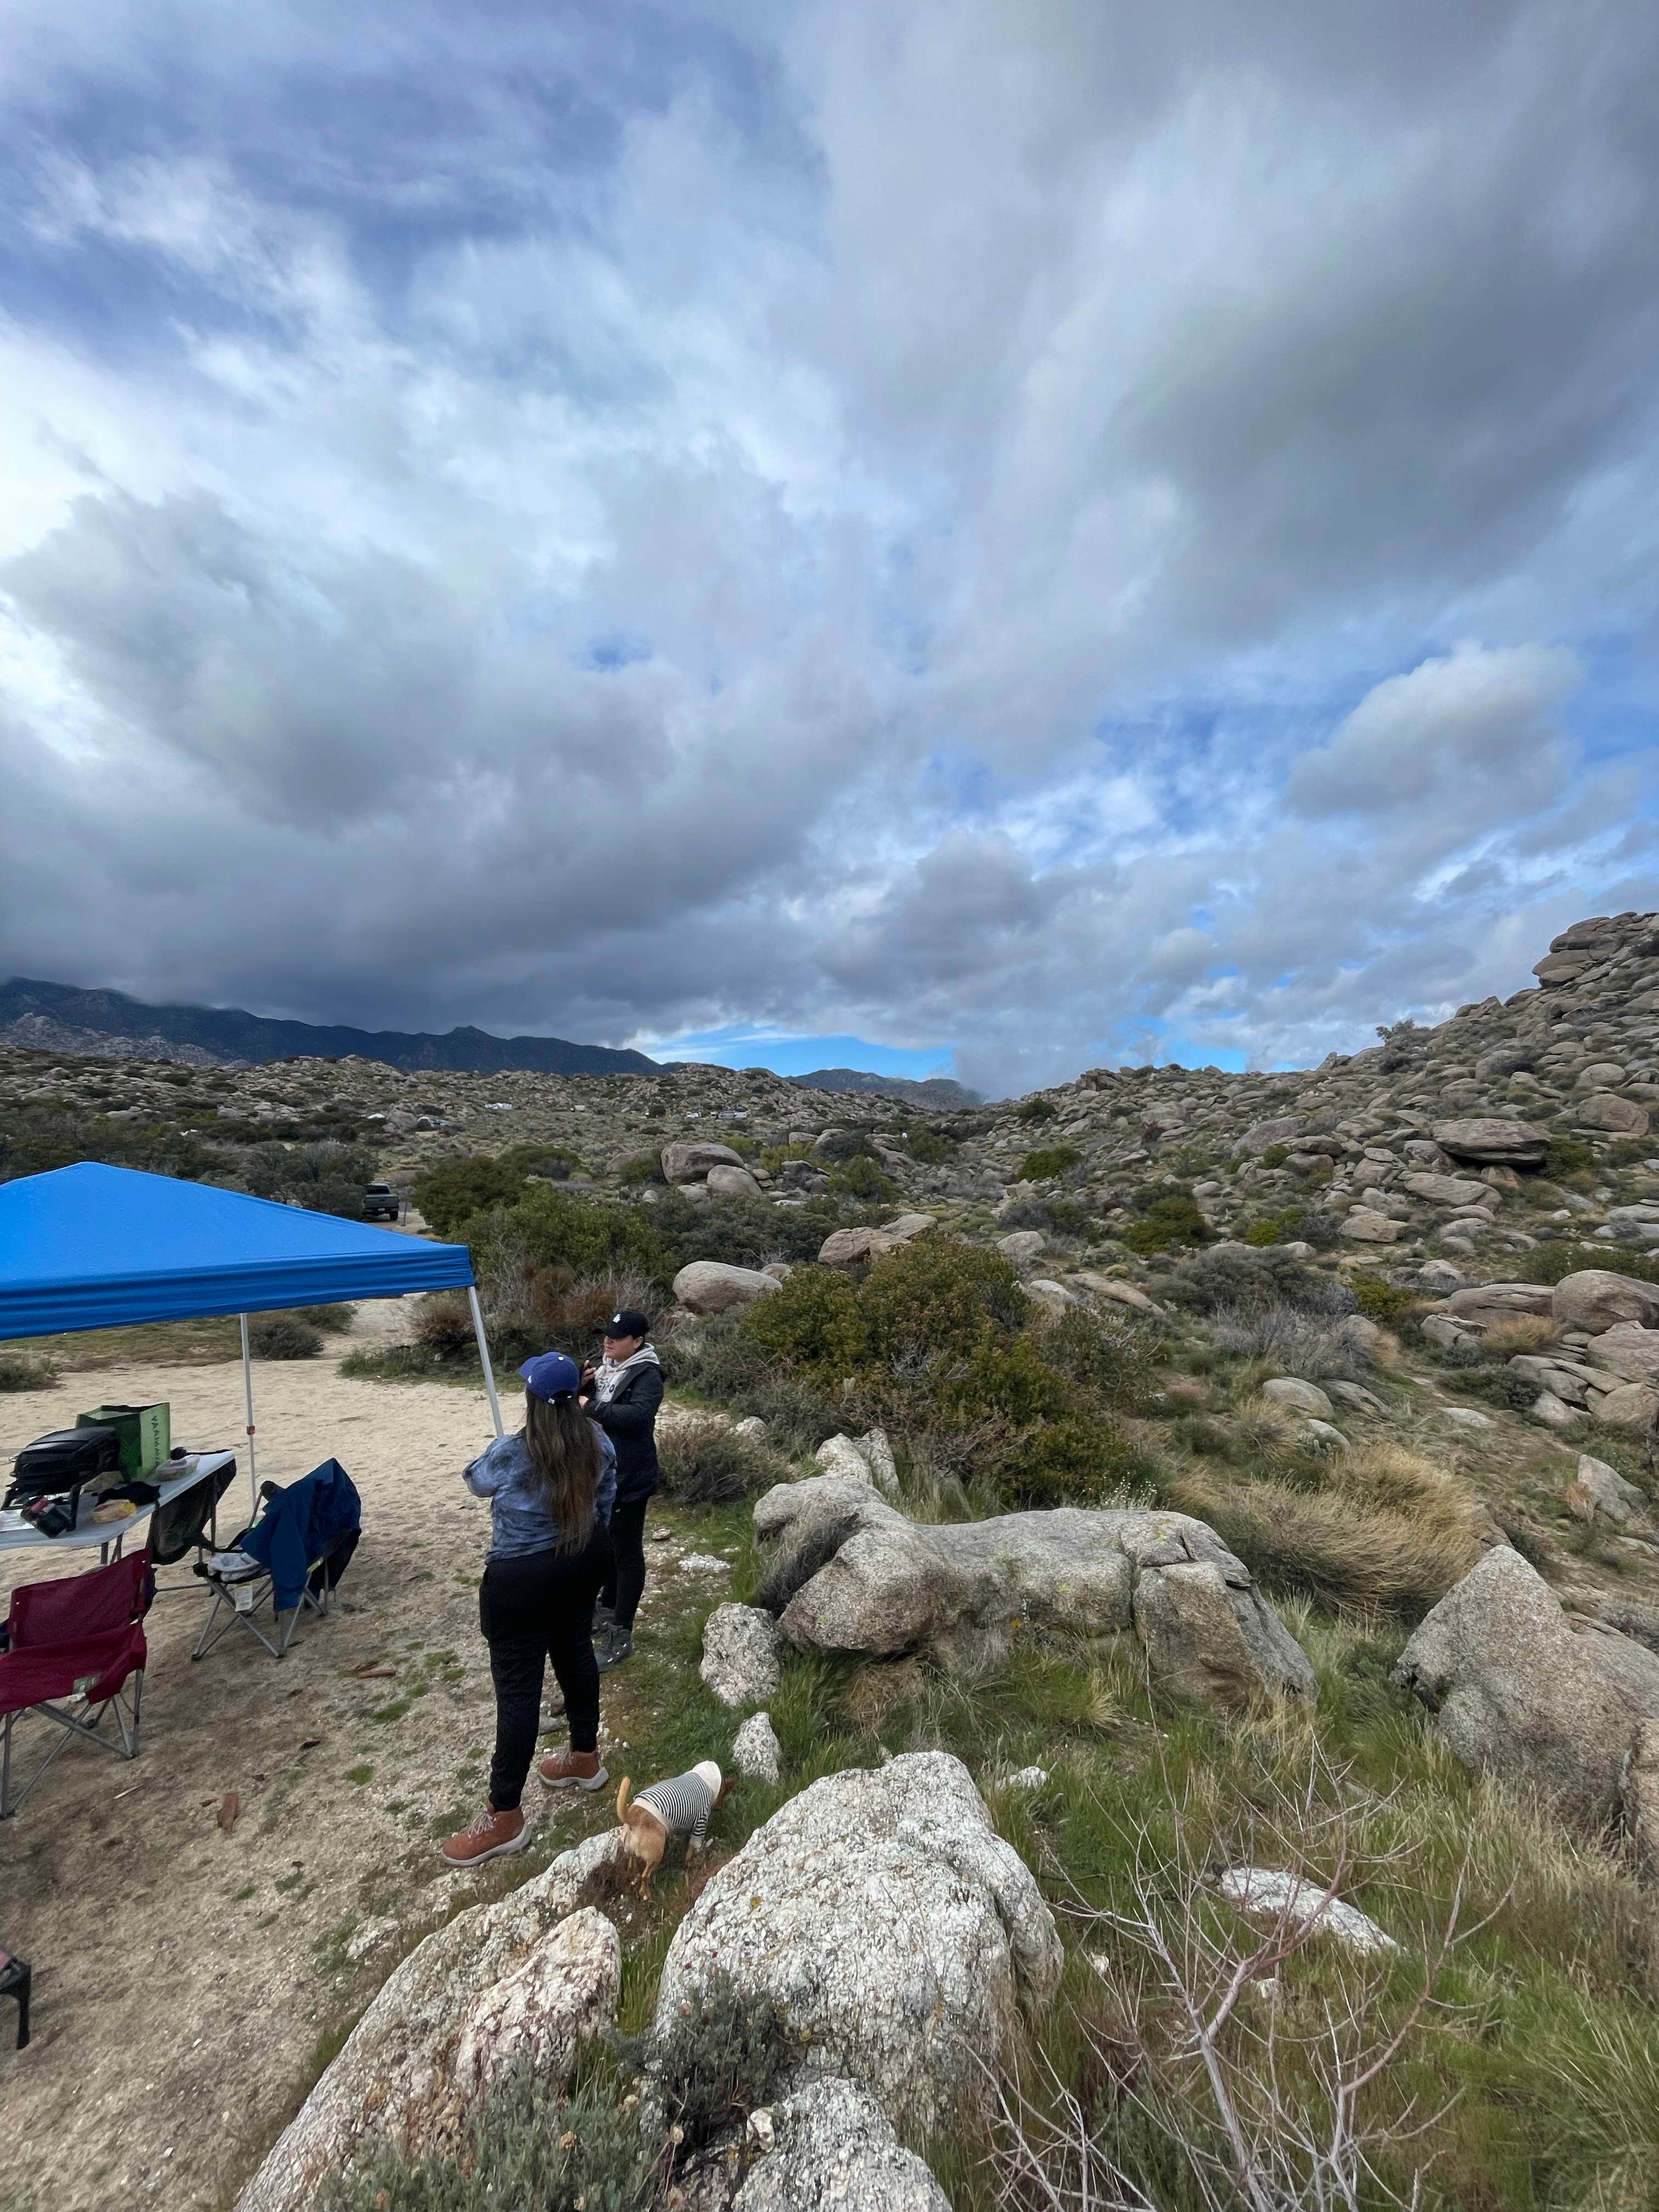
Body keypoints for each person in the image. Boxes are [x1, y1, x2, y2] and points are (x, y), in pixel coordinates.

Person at [441, 1351, 617, 1868]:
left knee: (518, 1694)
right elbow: (606, 1502)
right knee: (575, 1650)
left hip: (521, 1579)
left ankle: (504, 1815)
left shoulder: (513, 1453)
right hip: (582, 1562)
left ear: (533, 1401)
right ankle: (584, 1757)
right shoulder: (600, 1442)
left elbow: (474, 1480)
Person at [582, 1307, 663, 1672]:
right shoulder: (605, 1370)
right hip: (602, 1475)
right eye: (607, 1333)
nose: (608, 1340)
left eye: (617, 1336)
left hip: (630, 1477)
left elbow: (635, 1418)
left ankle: (621, 1633)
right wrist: (582, 1385)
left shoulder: (648, 1375)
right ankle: (607, 1606)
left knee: (628, 1553)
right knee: (609, 1545)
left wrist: (588, 1404)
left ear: (638, 1342)